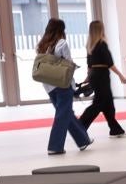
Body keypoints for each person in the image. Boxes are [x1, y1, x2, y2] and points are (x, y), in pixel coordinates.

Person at [35, 18, 91, 156]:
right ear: (61, 29)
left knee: (66, 114)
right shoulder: (62, 43)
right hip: (63, 84)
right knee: (62, 115)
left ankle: (83, 140)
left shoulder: (42, 45)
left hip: (49, 85)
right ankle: (55, 146)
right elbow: (68, 63)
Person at [76, 20, 126, 137]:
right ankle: (80, 125)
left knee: (108, 103)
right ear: (100, 30)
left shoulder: (90, 45)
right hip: (102, 76)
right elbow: (109, 63)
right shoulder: (101, 44)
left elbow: (89, 65)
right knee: (98, 103)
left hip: (95, 75)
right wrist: (120, 75)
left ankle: (115, 130)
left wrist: (88, 78)